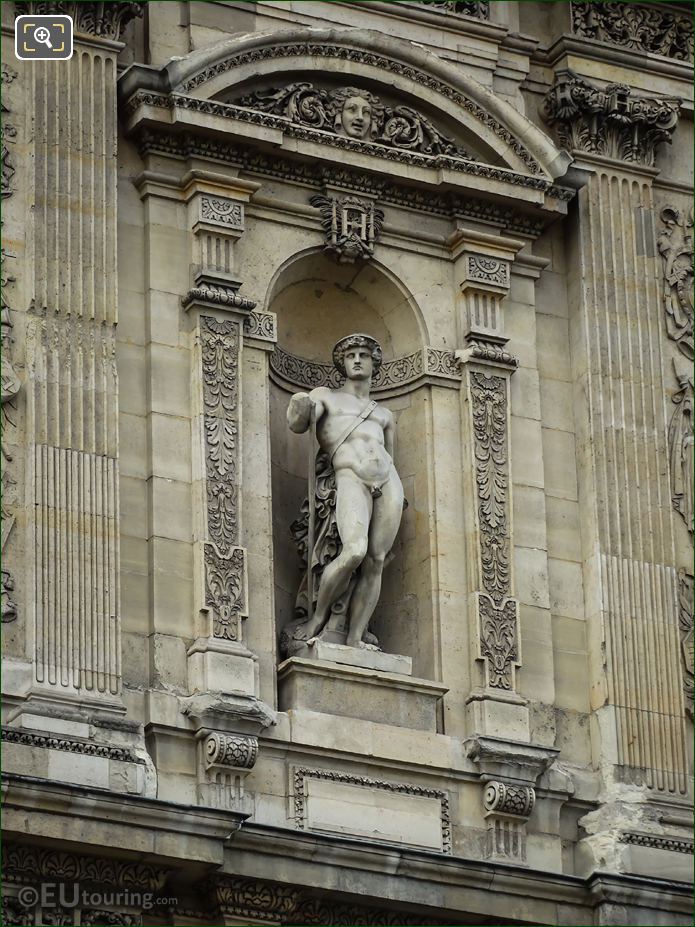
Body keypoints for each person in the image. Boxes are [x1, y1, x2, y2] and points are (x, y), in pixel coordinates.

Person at [286, 334, 404, 650]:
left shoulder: (384, 414)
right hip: (349, 476)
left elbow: (389, 453)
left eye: (363, 354)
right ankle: (317, 618)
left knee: (376, 560)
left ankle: (355, 637)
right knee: (354, 551)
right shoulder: (326, 396)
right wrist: (299, 404)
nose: (356, 359)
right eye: (350, 354)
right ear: (342, 362)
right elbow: (297, 425)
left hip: (387, 481)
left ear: (374, 362)